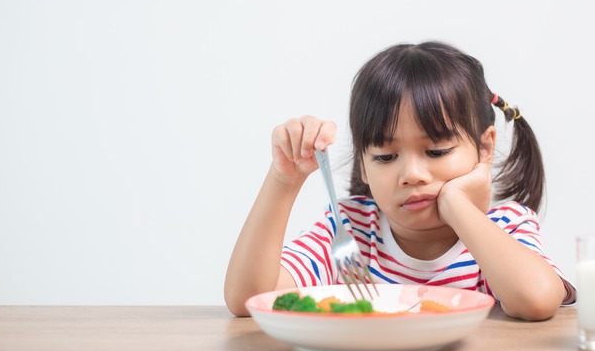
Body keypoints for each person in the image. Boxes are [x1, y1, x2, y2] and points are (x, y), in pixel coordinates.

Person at [224, 41, 576, 320]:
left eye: (436, 151)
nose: (411, 175)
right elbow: (250, 298)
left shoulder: (506, 227)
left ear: (485, 147)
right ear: (363, 164)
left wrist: (457, 207)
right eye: (385, 157)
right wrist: (283, 180)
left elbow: (538, 301)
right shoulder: (350, 229)